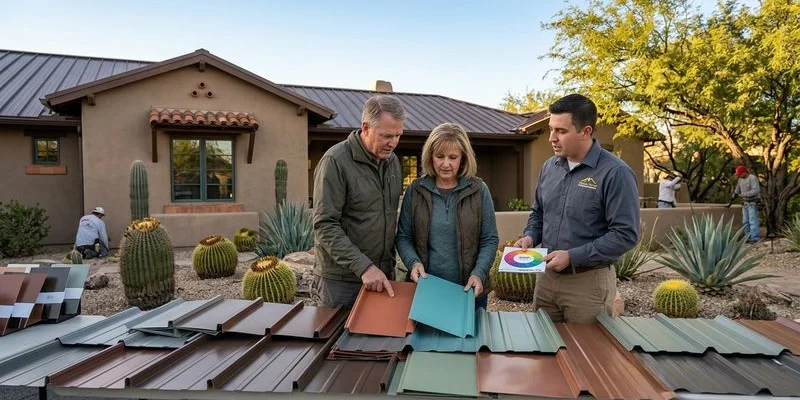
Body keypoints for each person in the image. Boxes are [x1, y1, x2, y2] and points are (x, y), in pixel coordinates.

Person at [514, 94, 640, 324]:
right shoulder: (549, 167)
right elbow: (539, 213)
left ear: (585, 132)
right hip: (546, 281)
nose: (552, 138)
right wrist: (530, 237)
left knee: (587, 347)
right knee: (543, 344)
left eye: (561, 131)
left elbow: (625, 234)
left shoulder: (615, 173)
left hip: (587, 285)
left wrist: (572, 257)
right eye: (551, 129)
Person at [312, 95, 405, 308]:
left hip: (382, 276)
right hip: (340, 282)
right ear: (365, 127)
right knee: (337, 332)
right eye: (386, 136)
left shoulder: (392, 162)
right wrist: (364, 267)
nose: (393, 143)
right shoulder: (335, 161)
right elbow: (325, 225)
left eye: (398, 135)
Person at [395, 123, 499, 309]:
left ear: (463, 158)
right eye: (440, 156)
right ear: (430, 156)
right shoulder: (415, 190)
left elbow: (489, 239)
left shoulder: (478, 190)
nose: (445, 164)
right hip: (426, 291)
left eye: (453, 157)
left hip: (469, 292)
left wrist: (479, 273)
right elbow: (404, 237)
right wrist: (413, 263)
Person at [732, 165, 761, 243]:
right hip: (745, 203)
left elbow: (756, 191)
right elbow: (737, 189)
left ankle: (755, 237)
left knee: (753, 220)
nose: (739, 176)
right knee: (745, 221)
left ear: (745, 172)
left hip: (753, 202)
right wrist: (734, 194)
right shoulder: (740, 180)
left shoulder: (752, 178)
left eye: (740, 174)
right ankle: (747, 237)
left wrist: (742, 195)